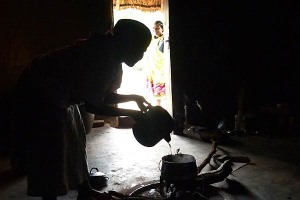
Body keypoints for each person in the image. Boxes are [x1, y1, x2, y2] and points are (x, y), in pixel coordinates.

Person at [10, 19, 152, 200]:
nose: (141, 55)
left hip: (61, 92)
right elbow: (93, 105)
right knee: (50, 151)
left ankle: (84, 191)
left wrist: (134, 98)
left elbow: (100, 95)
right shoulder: (101, 57)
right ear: (126, 44)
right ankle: (50, 196)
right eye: (140, 49)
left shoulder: (113, 57)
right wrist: (132, 113)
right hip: (39, 89)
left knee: (76, 142)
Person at [145, 20, 166, 107]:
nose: (155, 30)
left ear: (162, 29)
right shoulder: (154, 40)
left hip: (160, 69)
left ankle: (159, 107)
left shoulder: (164, 40)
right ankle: (158, 107)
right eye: (154, 29)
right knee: (155, 91)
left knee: (159, 91)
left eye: (157, 28)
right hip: (153, 68)